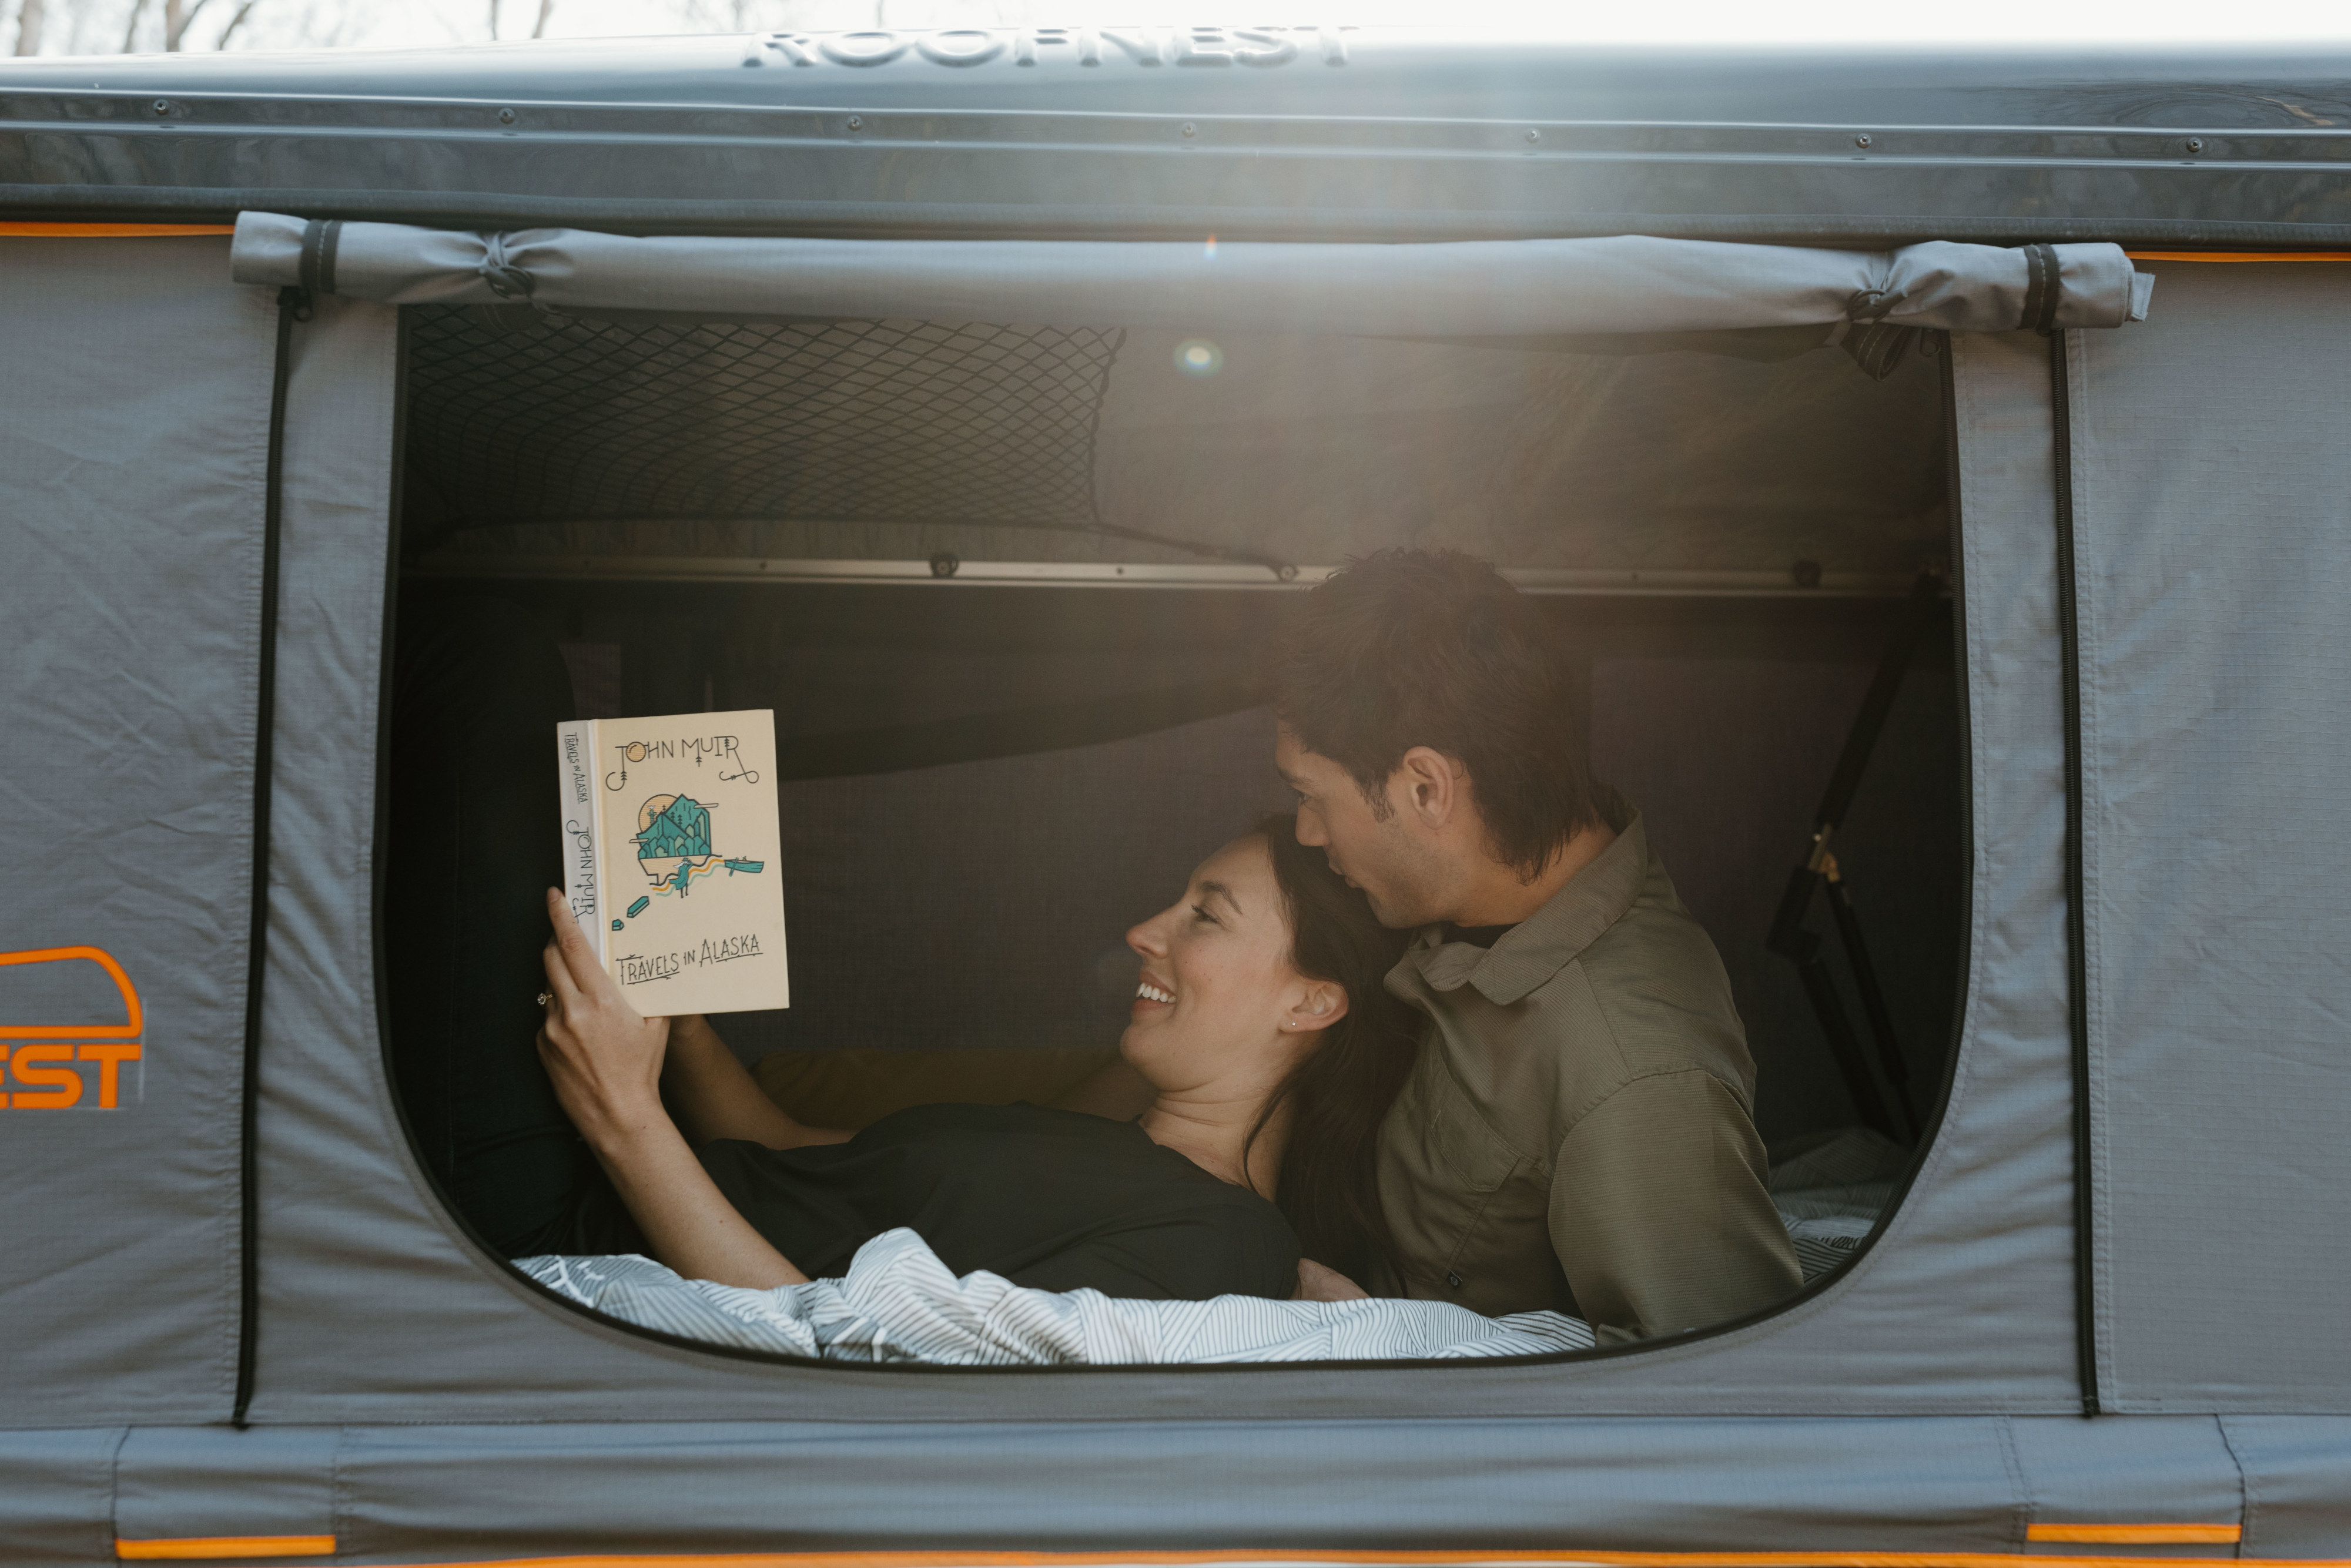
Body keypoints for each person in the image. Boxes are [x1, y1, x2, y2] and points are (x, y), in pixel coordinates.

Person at [386, 601, 1418, 1300]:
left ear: (1313, 1004)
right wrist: (680, 1013)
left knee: (482, 659)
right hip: (596, 1155)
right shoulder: (1111, 1130)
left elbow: (831, 1353)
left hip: (547, 1233)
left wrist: (619, 1111)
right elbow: (793, 1152)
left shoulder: (1229, 1243)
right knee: (508, 690)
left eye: (1207, 914)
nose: (1144, 930)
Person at [1261, 550, 1803, 1342]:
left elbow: (1708, 1408)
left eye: (1312, 798)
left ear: (1427, 789)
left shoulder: (1635, 1075)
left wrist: (1383, 1349)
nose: (1307, 834)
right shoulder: (1477, 888)